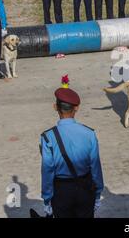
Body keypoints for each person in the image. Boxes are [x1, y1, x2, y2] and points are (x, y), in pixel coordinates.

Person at [40, 81, 104, 218]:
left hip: (61, 192)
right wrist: (98, 193)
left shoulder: (48, 137)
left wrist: (47, 198)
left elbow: (47, 169)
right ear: (77, 108)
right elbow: (95, 166)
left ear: (55, 107)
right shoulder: (89, 133)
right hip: (85, 189)